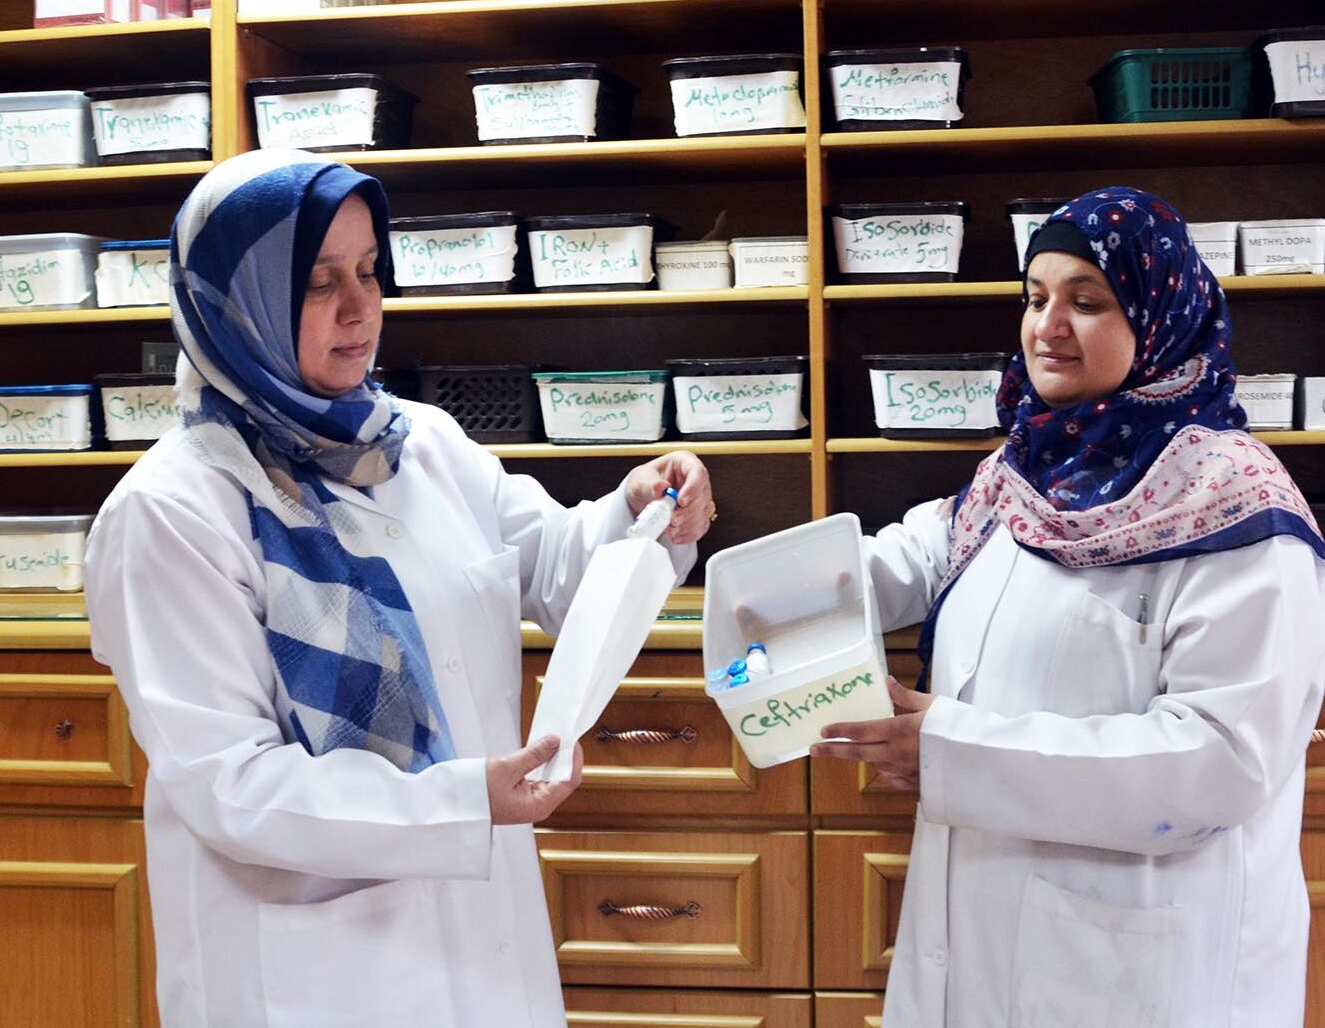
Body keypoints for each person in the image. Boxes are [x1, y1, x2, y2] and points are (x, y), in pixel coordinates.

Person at [84, 147, 715, 1028]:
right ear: (238, 303)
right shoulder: (173, 512)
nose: (360, 307)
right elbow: (231, 785)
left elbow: (557, 572)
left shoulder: (419, 442)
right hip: (308, 977)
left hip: (483, 948)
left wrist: (639, 510)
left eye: (371, 270)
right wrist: (461, 799)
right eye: (315, 282)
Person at [811, 186, 1325, 1028]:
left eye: (1087, 301)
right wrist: (763, 588)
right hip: (980, 932)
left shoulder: (1234, 505)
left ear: (1158, 315)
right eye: (1036, 296)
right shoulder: (1026, 468)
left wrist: (949, 748)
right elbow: (918, 553)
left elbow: (1218, 760)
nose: (1048, 325)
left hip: (1136, 965)